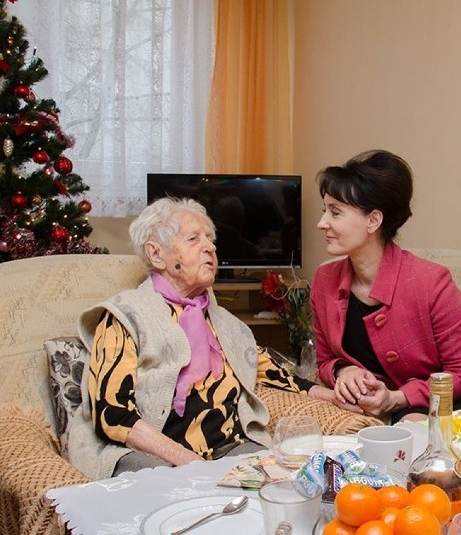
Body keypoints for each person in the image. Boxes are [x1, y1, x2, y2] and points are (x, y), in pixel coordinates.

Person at [66, 197, 351, 479]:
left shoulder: (225, 323)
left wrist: (334, 396)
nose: (210, 247)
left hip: (225, 447)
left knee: (280, 484)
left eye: (210, 239)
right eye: (193, 239)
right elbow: (113, 414)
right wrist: (189, 464)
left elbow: (269, 369)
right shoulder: (125, 316)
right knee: (163, 488)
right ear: (156, 254)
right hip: (150, 454)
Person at [311, 150, 461, 422]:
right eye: (324, 210)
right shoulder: (324, 280)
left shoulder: (432, 282)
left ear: (373, 220)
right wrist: (343, 371)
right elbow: (326, 360)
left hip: (454, 402)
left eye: (335, 212)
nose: (322, 223)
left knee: (413, 429)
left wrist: (397, 398)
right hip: (387, 411)